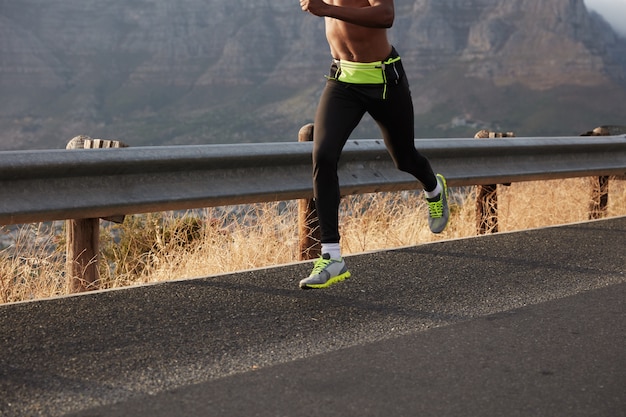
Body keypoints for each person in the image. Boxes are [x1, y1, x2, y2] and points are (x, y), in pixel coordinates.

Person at [298, 0, 449, 289]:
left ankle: (434, 188)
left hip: (384, 80)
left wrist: (326, 9)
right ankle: (332, 256)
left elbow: (385, 15)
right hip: (343, 79)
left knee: (403, 158)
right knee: (324, 155)